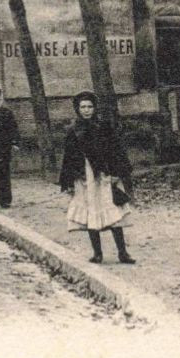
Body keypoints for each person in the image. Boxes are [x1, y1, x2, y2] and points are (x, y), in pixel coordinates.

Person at [58, 91, 135, 264]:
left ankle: (123, 252)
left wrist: (117, 173)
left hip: (104, 175)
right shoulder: (73, 130)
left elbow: (116, 150)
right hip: (85, 177)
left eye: (90, 106)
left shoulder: (104, 126)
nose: (86, 110)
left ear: (95, 108)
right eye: (83, 107)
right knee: (91, 212)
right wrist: (69, 181)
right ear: (77, 109)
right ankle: (97, 253)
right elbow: (68, 157)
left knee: (113, 211)